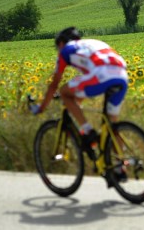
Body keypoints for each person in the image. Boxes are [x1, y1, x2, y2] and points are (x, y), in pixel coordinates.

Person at [29, 27, 128, 161]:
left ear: (61, 43)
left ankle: (88, 131)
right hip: (122, 75)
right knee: (111, 126)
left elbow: (54, 84)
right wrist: (76, 103)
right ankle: (121, 166)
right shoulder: (93, 43)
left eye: (57, 47)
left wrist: (41, 107)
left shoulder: (66, 50)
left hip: (101, 75)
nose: (58, 50)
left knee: (64, 92)